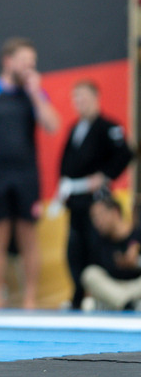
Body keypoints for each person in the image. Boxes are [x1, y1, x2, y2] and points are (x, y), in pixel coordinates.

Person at [0, 37, 60, 309]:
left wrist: (35, 94)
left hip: (27, 172)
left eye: (33, 63)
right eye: (25, 61)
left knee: (29, 236)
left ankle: (30, 298)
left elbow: (53, 124)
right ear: (9, 61)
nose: (30, 67)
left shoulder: (34, 95)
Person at [57, 81, 135, 309]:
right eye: (76, 98)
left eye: (83, 97)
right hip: (76, 201)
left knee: (95, 246)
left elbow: (125, 153)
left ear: (95, 98)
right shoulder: (75, 128)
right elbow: (67, 163)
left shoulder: (107, 127)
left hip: (96, 201)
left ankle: (99, 297)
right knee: (75, 249)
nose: (79, 103)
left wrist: (105, 176)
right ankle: (79, 295)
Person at [80, 195, 141, 310]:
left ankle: (124, 303)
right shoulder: (98, 241)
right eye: (94, 218)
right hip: (113, 289)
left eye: (100, 215)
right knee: (89, 274)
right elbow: (95, 278)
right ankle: (126, 303)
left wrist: (136, 262)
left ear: (115, 212)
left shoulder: (137, 233)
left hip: (136, 289)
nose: (97, 221)